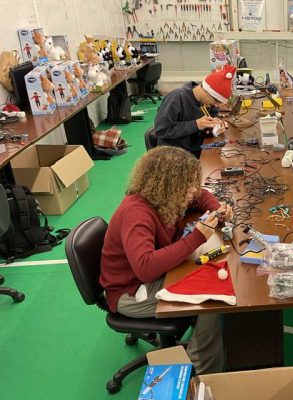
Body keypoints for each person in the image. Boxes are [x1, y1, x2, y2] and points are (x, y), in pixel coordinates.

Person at [100, 146, 234, 374]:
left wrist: (217, 209)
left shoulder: (163, 198)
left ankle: (206, 350)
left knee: (206, 276)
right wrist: (197, 237)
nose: (193, 190)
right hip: (131, 291)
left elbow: (201, 195)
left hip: (151, 276)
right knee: (210, 299)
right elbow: (145, 268)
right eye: (187, 185)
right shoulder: (137, 213)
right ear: (170, 185)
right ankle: (200, 372)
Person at [154, 65, 235, 157]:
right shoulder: (176, 98)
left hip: (198, 148)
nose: (216, 105)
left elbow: (213, 113)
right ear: (207, 91)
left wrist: (216, 123)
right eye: (216, 101)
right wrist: (196, 124)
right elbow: (161, 130)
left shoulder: (207, 101)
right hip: (174, 154)